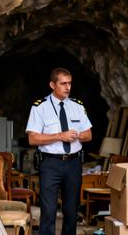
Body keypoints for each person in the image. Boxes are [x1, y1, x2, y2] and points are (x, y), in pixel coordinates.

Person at [26, 68, 92, 235]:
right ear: (52, 85)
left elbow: (89, 135)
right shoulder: (40, 107)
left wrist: (78, 135)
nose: (67, 87)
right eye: (63, 83)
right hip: (50, 163)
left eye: (69, 83)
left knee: (71, 210)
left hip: (73, 163)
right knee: (48, 211)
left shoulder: (77, 106)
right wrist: (59, 136)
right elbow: (32, 139)